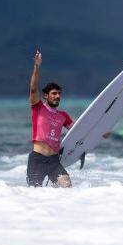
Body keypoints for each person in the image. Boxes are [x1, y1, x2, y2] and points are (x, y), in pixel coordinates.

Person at [27, 50, 74, 187]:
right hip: (38, 159)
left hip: (54, 161)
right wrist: (36, 67)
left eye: (59, 93)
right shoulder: (38, 107)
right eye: (54, 93)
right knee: (34, 192)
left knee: (66, 185)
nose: (57, 96)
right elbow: (33, 88)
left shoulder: (63, 116)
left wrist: (100, 131)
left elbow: (79, 131)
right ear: (46, 96)